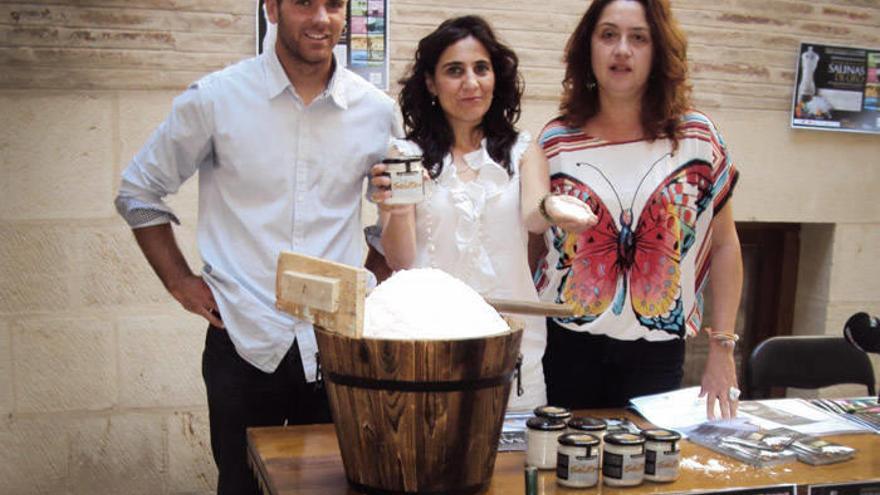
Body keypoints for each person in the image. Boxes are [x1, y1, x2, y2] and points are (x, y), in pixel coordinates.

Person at [114, 0, 398, 493]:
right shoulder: (217, 99)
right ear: (271, 7)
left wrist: (370, 282)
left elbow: (395, 210)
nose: (320, 18)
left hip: (334, 343)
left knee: (338, 485)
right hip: (241, 336)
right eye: (303, 2)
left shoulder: (375, 111)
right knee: (241, 485)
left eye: (334, 4)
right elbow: (139, 191)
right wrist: (180, 282)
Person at [369, 15, 593, 412]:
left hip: (512, 344)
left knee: (514, 462)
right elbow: (400, 260)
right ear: (431, 83)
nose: (470, 83)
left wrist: (553, 207)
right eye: (454, 71)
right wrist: (400, 208)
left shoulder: (524, 151)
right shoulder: (405, 156)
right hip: (428, 343)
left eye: (481, 69)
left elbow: (534, 217)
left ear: (496, 78)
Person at [534, 0, 743, 419]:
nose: (622, 50)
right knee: (566, 470)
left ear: (658, 51)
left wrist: (722, 349)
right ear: (588, 49)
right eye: (608, 35)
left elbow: (723, 247)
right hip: (568, 345)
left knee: (641, 475)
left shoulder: (696, 139)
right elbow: (533, 248)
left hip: (657, 348)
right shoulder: (555, 142)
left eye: (638, 37)